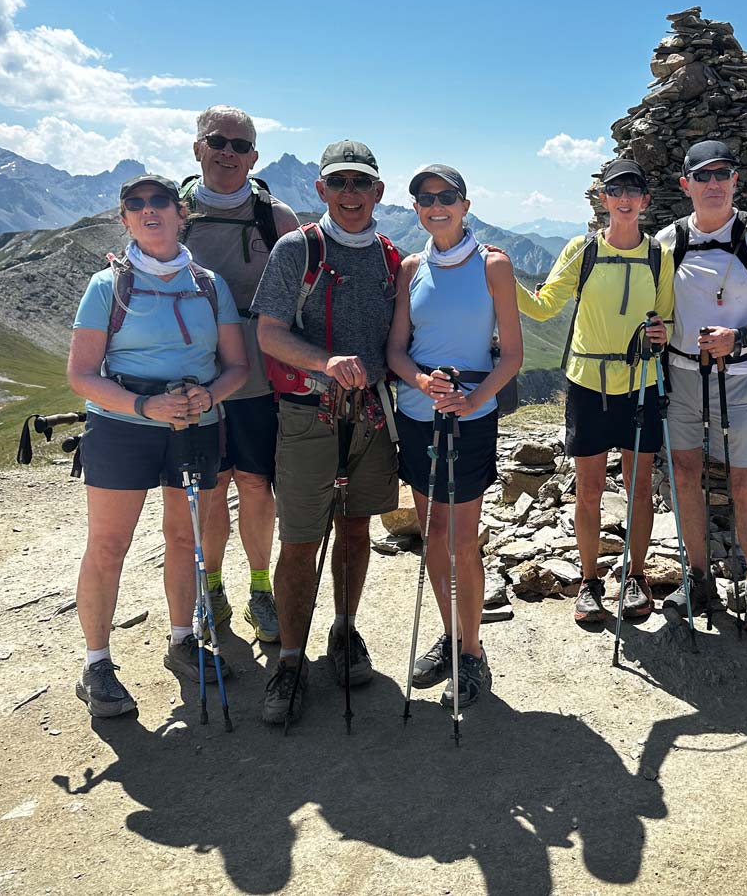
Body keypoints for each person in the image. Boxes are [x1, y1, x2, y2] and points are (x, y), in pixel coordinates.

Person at [67, 174, 248, 717]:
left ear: (180, 212)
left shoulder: (210, 285)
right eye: (136, 204)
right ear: (125, 219)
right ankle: (96, 663)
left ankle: (181, 640)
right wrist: (145, 406)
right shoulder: (107, 286)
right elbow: (81, 375)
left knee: (184, 539)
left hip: (193, 423)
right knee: (108, 544)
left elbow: (237, 367)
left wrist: (208, 396)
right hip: (123, 424)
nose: (149, 210)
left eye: (160, 201)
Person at [252, 140, 401, 722]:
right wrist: (325, 362)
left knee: (356, 527)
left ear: (378, 192)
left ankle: (343, 630)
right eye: (339, 182)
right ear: (321, 189)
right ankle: (290, 660)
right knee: (300, 539)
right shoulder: (298, 248)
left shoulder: (391, 258)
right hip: (308, 414)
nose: (350, 193)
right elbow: (269, 333)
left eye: (361, 183)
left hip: (370, 416)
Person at [514, 159, 672, 625]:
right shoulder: (581, 250)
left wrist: (662, 332)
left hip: (641, 382)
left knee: (639, 487)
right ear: (602, 198)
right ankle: (589, 581)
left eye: (633, 190)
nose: (624, 198)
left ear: (645, 200)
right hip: (588, 384)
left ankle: (636, 577)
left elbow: (666, 318)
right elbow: (543, 307)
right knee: (589, 488)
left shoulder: (659, 255)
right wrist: (502, 275)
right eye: (615, 190)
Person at [388, 164, 522, 710]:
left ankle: (472, 652)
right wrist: (422, 382)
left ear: (465, 205)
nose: (436, 205)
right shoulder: (411, 268)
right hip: (419, 414)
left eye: (447, 196)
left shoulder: (493, 265)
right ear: (416, 208)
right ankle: (451, 634)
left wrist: (471, 398)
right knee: (435, 532)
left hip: (471, 416)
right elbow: (396, 351)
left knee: (463, 540)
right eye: (425, 198)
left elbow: (511, 355)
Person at [656, 139, 747, 632]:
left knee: (743, 479)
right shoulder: (668, 240)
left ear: (736, 180)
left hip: (738, 375)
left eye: (722, 174)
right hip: (682, 372)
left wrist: (740, 337)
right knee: (685, 471)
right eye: (703, 175)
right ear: (686, 184)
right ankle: (697, 578)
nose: (713, 183)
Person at [179, 105, 300, 645]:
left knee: (254, 481)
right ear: (197, 148)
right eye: (217, 141)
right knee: (210, 485)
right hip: (191, 374)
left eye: (240, 145)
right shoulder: (173, 211)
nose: (228, 152)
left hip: (257, 373)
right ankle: (211, 588)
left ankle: (259, 588)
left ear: (254, 157)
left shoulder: (277, 219)